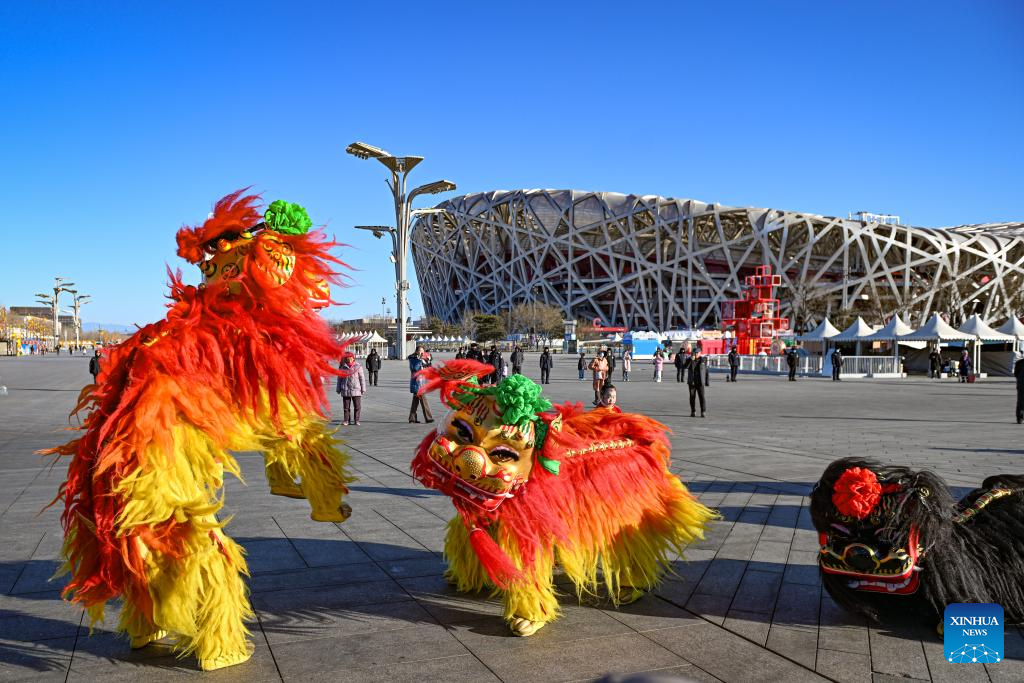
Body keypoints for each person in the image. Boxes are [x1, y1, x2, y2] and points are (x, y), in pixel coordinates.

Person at [336, 353, 367, 425]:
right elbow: (339, 379)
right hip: (346, 389)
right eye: (347, 358)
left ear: (353, 358)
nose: (349, 359)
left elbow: (362, 378)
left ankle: (357, 420)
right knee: (346, 407)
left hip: (356, 389)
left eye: (350, 357)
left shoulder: (358, 366)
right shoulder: (342, 367)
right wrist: (338, 388)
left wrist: (363, 389)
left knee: (357, 406)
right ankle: (347, 420)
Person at [408, 345, 434, 423]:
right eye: (419, 351)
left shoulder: (423, 359)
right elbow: (414, 368)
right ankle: (428, 418)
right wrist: (419, 360)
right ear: (416, 351)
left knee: (415, 401)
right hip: (417, 383)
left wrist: (428, 361)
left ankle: (412, 418)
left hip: (422, 382)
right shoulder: (413, 359)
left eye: (422, 351)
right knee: (424, 401)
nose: (421, 352)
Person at [685, 345, 710, 417]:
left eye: (696, 353)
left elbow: (706, 371)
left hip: (700, 382)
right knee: (692, 397)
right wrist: (690, 360)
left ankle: (703, 411)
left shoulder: (703, 360)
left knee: (702, 397)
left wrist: (707, 381)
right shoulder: (689, 360)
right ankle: (693, 411)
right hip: (692, 382)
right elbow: (685, 367)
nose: (695, 354)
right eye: (694, 353)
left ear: (700, 353)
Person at [1014, 353, 1023, 424]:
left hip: (1021, 385)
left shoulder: (1019, 362)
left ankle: (1019, 418)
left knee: (1020, 401)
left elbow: (1016, 374)